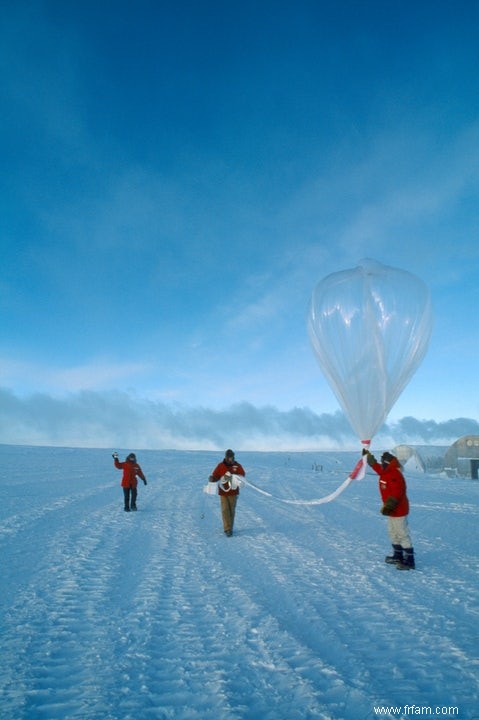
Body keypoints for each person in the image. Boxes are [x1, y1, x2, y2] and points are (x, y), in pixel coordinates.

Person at [363, 449, 415, 570]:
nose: (381, 464)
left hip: (398, 510)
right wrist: (368, 457)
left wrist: (389, 506)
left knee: (402, 533)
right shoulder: (386, 471)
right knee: (393, 532)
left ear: (388, 463)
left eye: (383, 462)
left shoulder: (394, 474)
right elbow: (377, 468)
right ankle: (398, 556)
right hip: (391, 510)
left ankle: (410, 560)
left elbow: (397, 492)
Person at [209, 449, 245, 536]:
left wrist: (236, 477)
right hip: (223, 492)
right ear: (225, 457)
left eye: (231, 457)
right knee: (225, 510)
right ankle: (227, 529)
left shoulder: (237, 466)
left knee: (231, 510)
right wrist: (212, 478)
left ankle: (230, 528)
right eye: (228, 457)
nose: (230, 459)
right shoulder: (220, 466)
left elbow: (242, 475)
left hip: (233, 492)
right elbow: (215, 475)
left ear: (233, 457)